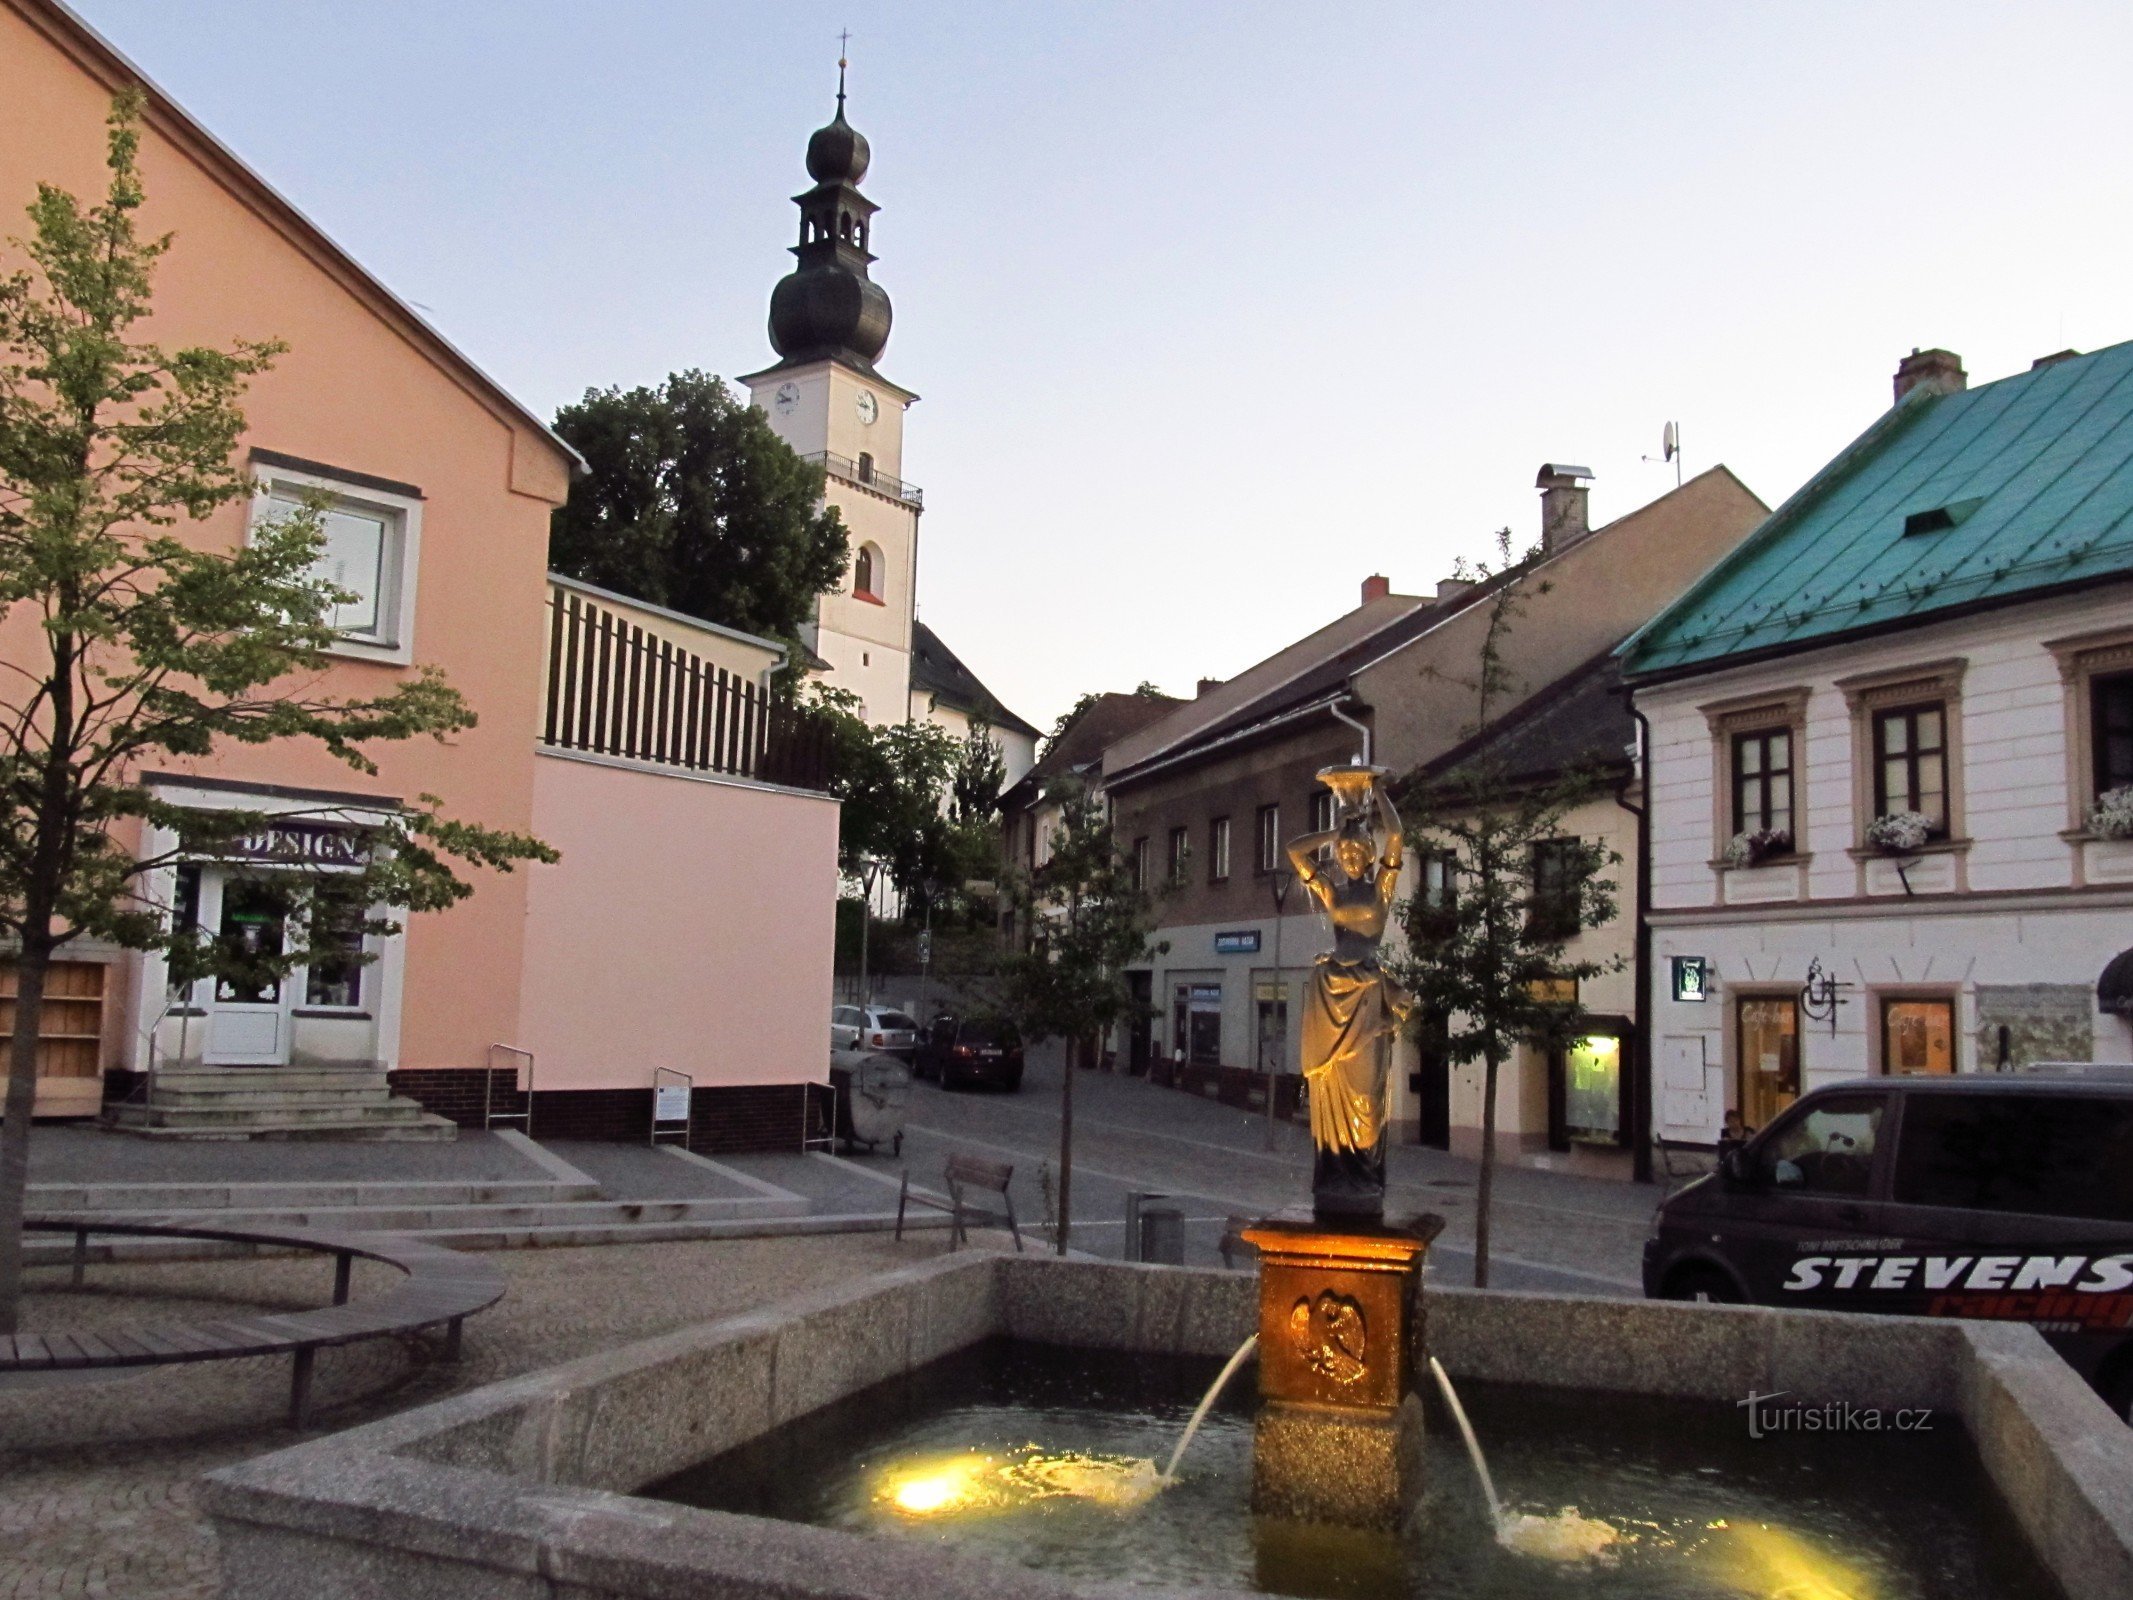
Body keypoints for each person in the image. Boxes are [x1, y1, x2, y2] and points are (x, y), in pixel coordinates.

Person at [1287, 772, 1413, 1220]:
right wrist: (1335, 830)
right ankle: (1334, 1174)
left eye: (1359, 851)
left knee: (1367, 1094)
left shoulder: (1382, 887)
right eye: (1346, 853)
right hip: (1331, 992)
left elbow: (1396, 833)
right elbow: (1294, 851)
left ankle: (1364, 1175)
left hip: (1367, 999)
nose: (1352, 857)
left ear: (1370, 854)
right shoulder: (1331, 889)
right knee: (1328, 1085)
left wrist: (1377, 792)